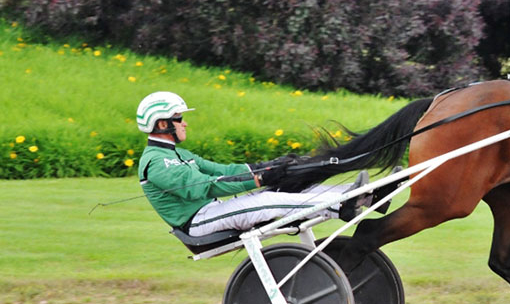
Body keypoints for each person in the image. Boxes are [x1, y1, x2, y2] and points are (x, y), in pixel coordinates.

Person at [136, 91, 371, 237]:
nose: (184, 123)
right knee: (268, 200)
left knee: (285, 189)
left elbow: (223, 171)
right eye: (179, 119)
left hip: (213, 211)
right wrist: (259, 179)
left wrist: (268, 166)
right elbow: (203, 187)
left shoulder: (179, 153)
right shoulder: (155, 162)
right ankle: (340, 206)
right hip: (198, 223)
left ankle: (360, 194)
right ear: (162, 124)